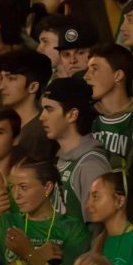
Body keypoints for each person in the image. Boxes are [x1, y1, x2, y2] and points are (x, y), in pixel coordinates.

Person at [41, 78, 112, 226]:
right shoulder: (58, 159)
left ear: (72, 114)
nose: (42, 117)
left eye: (49, 109)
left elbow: (98, 230)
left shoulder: (91, 166)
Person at [85, 43, 133, 167]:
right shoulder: (87, 117)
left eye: (94, 69)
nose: (86, 76)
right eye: (87, 70)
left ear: (118, 75)